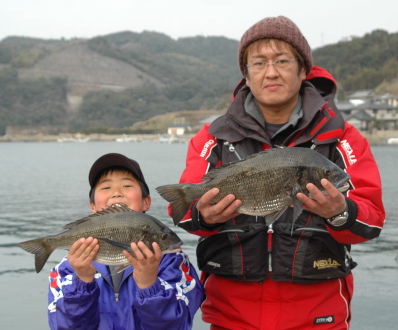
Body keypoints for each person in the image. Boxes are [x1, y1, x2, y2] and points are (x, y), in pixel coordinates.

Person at [175, 16, 385, 329]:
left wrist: (340, 213)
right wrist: (204, 214)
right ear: (246, 75)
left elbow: (371, 220)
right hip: (231, 318)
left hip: (318, 318)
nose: (270, 72)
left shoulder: (343, 138)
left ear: (303, 70)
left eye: (282, 60)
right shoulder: (212, 137)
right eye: (258, 63)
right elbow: (184, 213)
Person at [48, 153, 203, 330]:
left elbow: (177, 326)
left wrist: (148, 284)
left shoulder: (173, 263)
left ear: (146, 202)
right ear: (93, 206)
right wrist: (82, 281)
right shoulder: (67, 268)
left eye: (127, 185)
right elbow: (65, 327)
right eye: (106, 188)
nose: (116, 193)